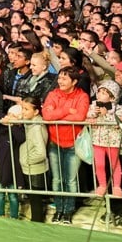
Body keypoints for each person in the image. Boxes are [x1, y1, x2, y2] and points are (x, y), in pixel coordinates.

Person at [41, 66, 90, 224]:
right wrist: (68, 110)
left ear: (74, 81)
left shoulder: (82, 96)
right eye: (60, 78)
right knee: (57, 179)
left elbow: (80, 116)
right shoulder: (53, 94)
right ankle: (59, 209)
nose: (60, 81)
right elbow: (47, 116)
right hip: (54, 142)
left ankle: (68, 211)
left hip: (73, 144)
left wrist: (58, 114)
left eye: (64, 78)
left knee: (70, 180)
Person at [86, 80, 122, 197]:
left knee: (114, 164)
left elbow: (120, 122)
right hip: (97, 140)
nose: (99, 94)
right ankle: (102, 185)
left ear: (112, 97)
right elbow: (88, 116)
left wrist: (106, 114)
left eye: (104, 93)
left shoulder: (117, 108)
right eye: (99, 92)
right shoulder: (93, 105)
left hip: (112, 141)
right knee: (99, 164)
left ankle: (117, 186)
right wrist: (92, 116)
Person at [15, 97, 49, 222]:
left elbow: (41, 153)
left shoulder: (36, 127)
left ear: (36, 112)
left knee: (36, 200)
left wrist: (26, 160)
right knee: (34, 199)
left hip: (34, 168)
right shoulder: (30, 123)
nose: (23, 112)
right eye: (22, 108)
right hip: (31, 167)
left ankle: (37, 223)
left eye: (26, 109)